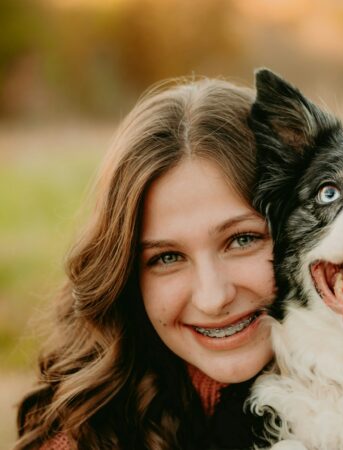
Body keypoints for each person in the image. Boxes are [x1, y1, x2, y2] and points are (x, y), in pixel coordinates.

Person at [15, 78, 276, 449]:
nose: (213, 297)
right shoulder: (86, 434)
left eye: (242, 240)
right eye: (167, 258)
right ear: (125, 277)